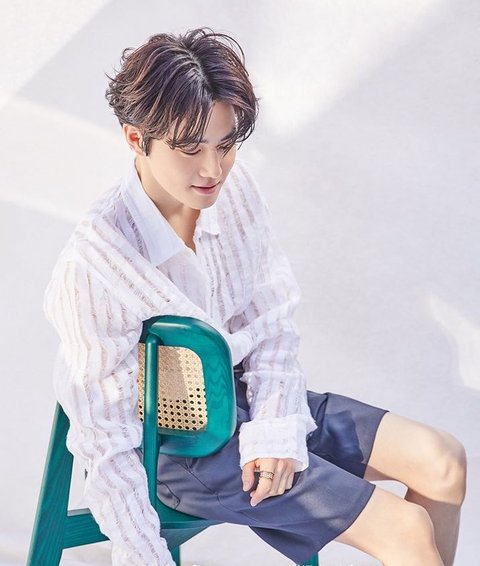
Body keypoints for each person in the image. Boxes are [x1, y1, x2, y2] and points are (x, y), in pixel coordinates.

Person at [43, 28, 467, 566]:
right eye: (190, 149)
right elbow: (105, 439)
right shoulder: (96, 263)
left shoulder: (235, 190)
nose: (212, 169)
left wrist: (274, 427)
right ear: (135, 138)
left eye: (224, 145)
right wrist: (144, 554)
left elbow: (270, 322)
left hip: (254, 401)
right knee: (405, 529)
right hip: (177, 451)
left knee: (444, 460)